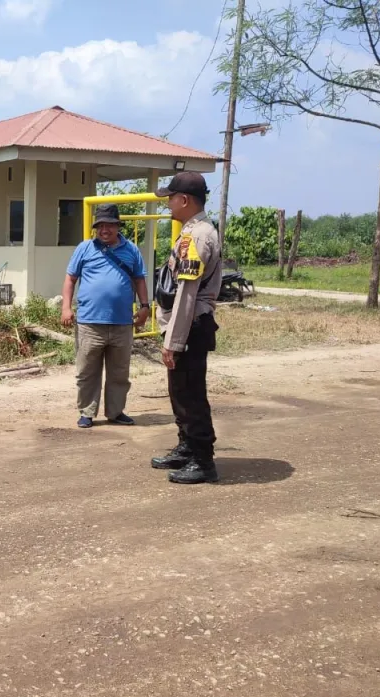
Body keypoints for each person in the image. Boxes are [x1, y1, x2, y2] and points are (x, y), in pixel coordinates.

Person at [152, 172, 223, 484]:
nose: (168, 204)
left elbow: (187, 293)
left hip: (190, 326)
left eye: (170, 198)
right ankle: (187, 447)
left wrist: (174, 341)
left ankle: (203, 460)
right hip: (187, 325)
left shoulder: (197, 236)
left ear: (184, 200)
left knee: (191, 394)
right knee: (180, 392)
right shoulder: (192, 232)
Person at [61, 203, 151, 428]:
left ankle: (116, 412)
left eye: (109, 225)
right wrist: (66, 307)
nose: (104, 230)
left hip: (122, 323)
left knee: (119, 372)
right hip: (89, 322)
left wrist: (144, 306)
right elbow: (70, 279)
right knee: (87, 371)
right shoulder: (85, 248)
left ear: (117, 226)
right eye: (100, 225)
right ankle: (87, 412)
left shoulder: (131, 250)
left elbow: (140, 279)